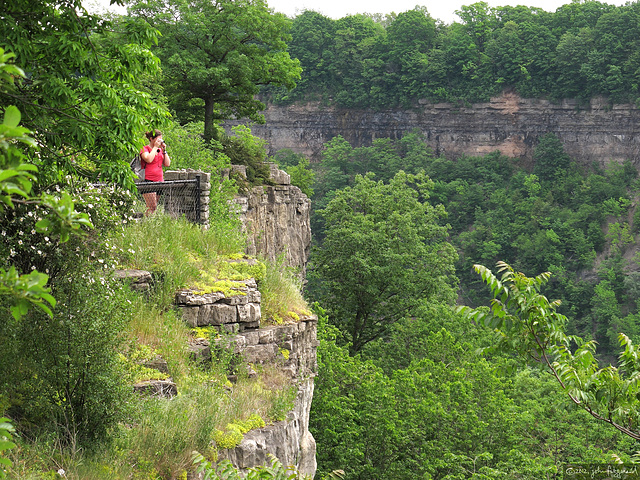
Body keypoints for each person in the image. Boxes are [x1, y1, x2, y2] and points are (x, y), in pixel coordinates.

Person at [140, 129, 171, 215]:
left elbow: (167, 164)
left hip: (159, 180)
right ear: (151, 139)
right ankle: (146, 221)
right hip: (148, 180)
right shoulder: (145, 149)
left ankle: (148, 221)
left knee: (154, 207)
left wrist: (164, 150)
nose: (159, 142)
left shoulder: (160, 150)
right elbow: (149, 159)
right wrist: (155, 147)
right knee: (152, 206)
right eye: (157, 140)